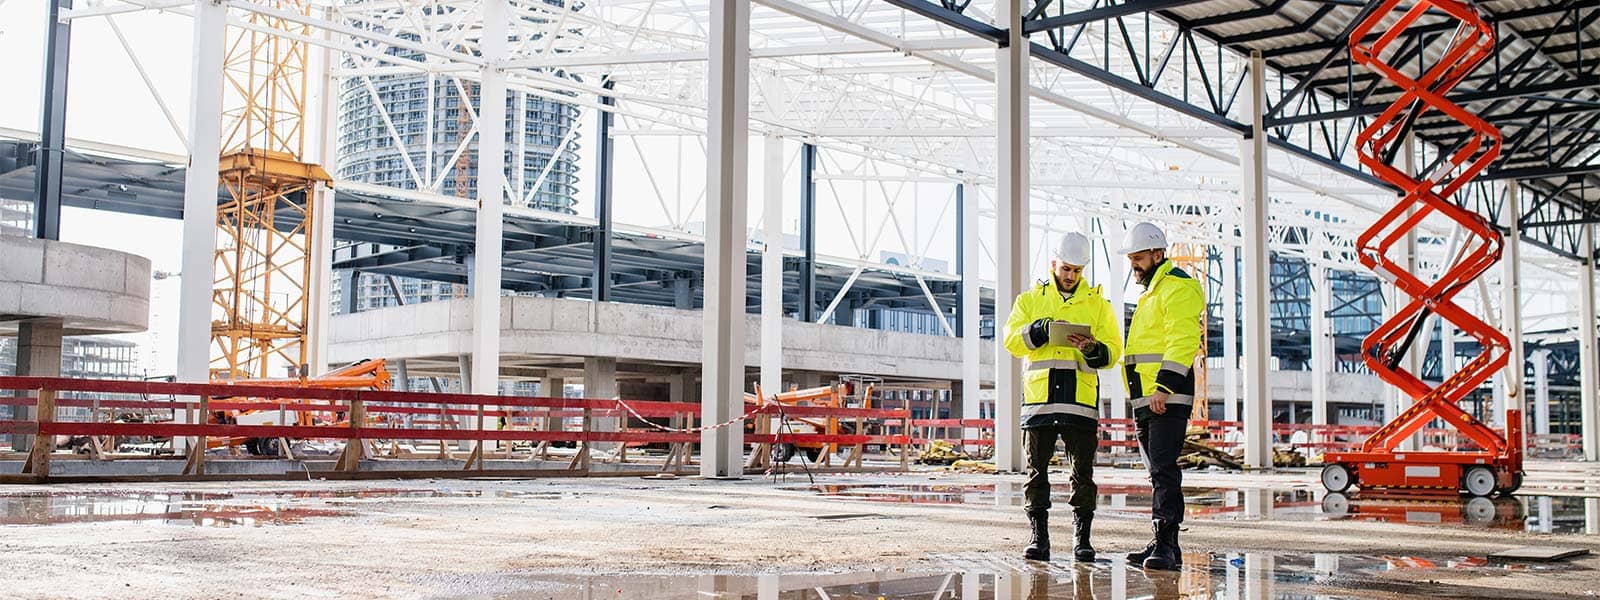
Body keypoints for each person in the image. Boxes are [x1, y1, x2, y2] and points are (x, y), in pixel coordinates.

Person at [1003, 232, 1123, 561]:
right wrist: (1039, 329)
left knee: (1082, 475)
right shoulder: (1029, 300)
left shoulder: (1098, 305)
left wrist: (1094, 349)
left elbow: (1114, 350)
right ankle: (1039, 539)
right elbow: (1011, 340)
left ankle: (1082, 540)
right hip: (1039, 401)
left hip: (1080, 403)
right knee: (1036, 473)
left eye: (1077, 271)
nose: (1071, 276)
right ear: (1054, 263)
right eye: (1066, 268)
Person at [1117, 221, 1205, 571]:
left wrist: (1165, 387)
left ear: (1157, 254)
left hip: (1165, 396)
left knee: (1164, 471)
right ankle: (1165, 542)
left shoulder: (1177, 287)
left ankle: (1166, 546)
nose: (1133, 265)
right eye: (1131, 259)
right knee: (1157, 473)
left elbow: (1183, 339)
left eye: (1138, 258)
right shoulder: (1152, 292)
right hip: (1147, 398)